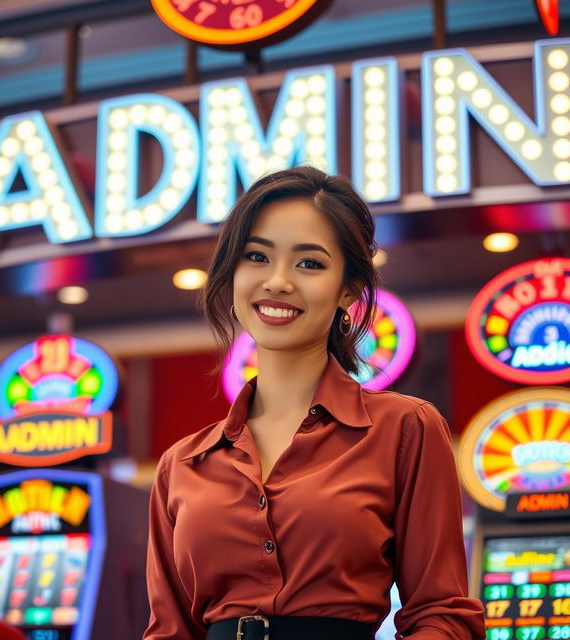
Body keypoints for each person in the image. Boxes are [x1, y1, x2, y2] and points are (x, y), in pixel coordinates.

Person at [142, 166, 486, 640]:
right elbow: (169, 631)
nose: (278, 282)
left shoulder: (405, 428)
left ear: (348, 289)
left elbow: (443, 614)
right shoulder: (181, 464)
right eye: (256, 256)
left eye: (309, 263)